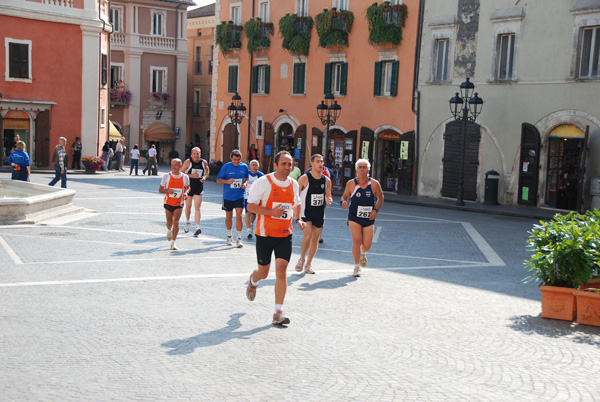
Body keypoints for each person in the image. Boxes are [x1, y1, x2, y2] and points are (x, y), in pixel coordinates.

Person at [245, 151, 305, 325]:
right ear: (276, 165)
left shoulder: (293, 184)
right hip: (265, 234)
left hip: (284, 234)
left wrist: (298, 219)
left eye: (290, 164)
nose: (287, 168)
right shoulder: (263, 182)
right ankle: (253, 280)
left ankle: (277, 312)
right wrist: (271, 212)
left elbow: (296, 204)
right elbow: (250, 206)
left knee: (281, 271)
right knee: (263, 272)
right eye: (284, 164)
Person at [340, 158, 384, 277]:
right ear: (356, 170)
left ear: (368, 170)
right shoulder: (351, 183)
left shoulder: (374, 184)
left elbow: (381, 198)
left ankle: (363, 252)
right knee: (356, 241)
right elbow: (344, 197)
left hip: (368, 218)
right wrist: (343, 202)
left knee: (367, 245)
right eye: (360, 167)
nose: (362, 170)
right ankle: (356, 267)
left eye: (365, 167)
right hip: (354, 217)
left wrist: (375, 210)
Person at [294, 154, 332, 274]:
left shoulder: (326, 180)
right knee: (308, 235)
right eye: (318, 161)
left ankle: (308, 264)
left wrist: (328, 199)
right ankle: (301, 258)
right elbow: (295, 195)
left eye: (322, 161)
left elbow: (328, 194)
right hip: (306, 213)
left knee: (315, 240)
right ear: (312, 164)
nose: (321, 164)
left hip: (319, 213)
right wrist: (295, 212)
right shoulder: (304, 179)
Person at [216, 149, 249, 247]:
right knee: (229, 217)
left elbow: (247, 177)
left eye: (238, 160)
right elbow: (218, 180)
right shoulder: (226, 167)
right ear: (231, 158)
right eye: (234, 160)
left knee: (239, 215)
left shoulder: (244, 167)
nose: (236, 162)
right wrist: (227, 182)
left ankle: (239, 238)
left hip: (239, 195)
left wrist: (245, 184)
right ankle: (229, 236)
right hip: (228, 196)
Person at [158, 158, 190, 250]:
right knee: (169, 223)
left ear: (180, 166)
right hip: (168, 203)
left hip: (179, 203)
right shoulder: (166, 176)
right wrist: (167, 190)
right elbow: (160, 189)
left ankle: (173, 242)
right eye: (172, 165)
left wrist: (186, 193)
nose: (173, 167)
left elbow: (188, 187)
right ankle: (169, 230)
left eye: (176, 165)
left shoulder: (185, 177)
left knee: (176, 222)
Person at [181, 147, 209, 237]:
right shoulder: (188, 162)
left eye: (198, 154)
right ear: (191, 154)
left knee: (198, 207)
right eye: (194, 153)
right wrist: (191, 175)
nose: (196, 155)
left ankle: (197, 227)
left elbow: (207, 171)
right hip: (189, 186)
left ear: (200, 154)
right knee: (188, 206)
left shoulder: (203, 162)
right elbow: (180, 173)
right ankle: (188, 222)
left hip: (199, 186)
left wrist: (204, 177)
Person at [244, 159, 264, 239]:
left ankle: (251, 223)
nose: (254, 166)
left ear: (258, 166)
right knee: (247, 213)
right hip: (247, 196)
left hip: (256, 197)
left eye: (256, 165)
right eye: (253, 165)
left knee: (253, 214)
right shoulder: (247, 174)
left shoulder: (260, 175)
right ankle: (248, 230)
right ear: (250, 166)